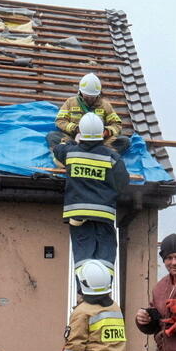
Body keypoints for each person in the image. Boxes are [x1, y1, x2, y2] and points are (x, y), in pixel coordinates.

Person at [52, 112, 129, 279]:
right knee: (106, 255)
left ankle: (84, 291)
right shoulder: (112, 157)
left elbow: (58, 149)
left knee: (83, 255)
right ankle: (104, 289)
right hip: (104, 215)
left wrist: (72, 142)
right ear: (101, 133)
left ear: (81, 133)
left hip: (78, 215)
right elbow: (123, 182)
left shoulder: (71, 153)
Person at [46, 72, 130, 155]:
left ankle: (85, 154)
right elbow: (60, 121)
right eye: (87, 96)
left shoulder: (105, 105)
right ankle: (99, 154)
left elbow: (117, 124)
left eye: (92, 97)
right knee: (52, 136)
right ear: (80, 92)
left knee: (124, 141)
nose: (89, 99)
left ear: (98, 94)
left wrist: (105, 132)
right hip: (75, 141)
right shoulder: (70, 102)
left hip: (98, 142)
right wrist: (76, 129)